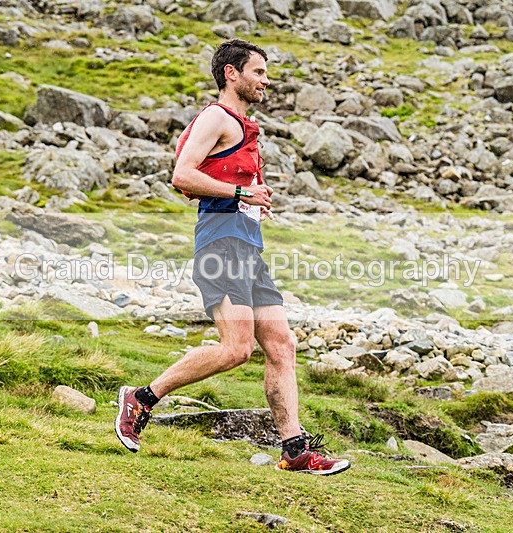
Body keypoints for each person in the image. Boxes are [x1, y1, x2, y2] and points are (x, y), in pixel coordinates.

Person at [115, 39, 350, 476]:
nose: (266, 80)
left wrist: (253, 200)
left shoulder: (242, 126)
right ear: (231, 74)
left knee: (282, 346)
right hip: (220, 246)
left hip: (247, 247)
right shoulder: (216, 117)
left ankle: (294, 449)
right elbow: (182, 175)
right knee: (237, 349)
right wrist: (242, 192)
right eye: (258, 72)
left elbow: (220, 180)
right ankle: (143, 397)